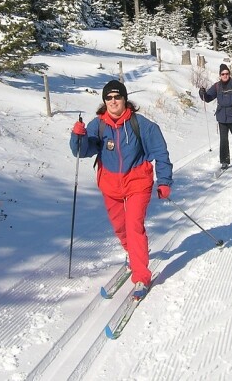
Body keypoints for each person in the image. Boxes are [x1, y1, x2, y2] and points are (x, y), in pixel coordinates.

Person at [70, 80, 173, 300]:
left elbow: (160, 152)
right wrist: (77, 136)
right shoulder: (98, 125)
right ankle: (133, 255)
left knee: (134, 226)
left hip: (137, 182)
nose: (113, 101)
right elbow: (83, 151)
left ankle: (141, 276)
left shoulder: (142, 125)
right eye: (109, 98)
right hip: (110, 184)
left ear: (125, 99)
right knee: (120, 227)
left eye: (117, 97)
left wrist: (164, 181)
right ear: (104, 101)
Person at [199, 63, 232, 169]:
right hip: (222, 117)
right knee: (223, 139)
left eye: (227, 73)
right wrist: (202, 93)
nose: (225, 75)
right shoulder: (217, 86)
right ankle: (224, 161)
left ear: (229, 74)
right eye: (223, 74)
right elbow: (208, 98)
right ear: (220, 75)